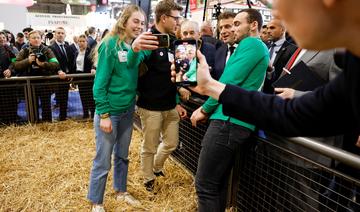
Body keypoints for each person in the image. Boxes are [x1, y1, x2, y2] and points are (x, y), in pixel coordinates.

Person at [172, 0, 360, 151]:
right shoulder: (351, 65)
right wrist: (209, 86)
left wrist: (210, 93)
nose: (277, 14)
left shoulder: (253, 45)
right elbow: (292, 113)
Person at [189, 9, 269, 212]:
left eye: (236, 23)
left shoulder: (252, 44)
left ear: (253, 25)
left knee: (204, 185)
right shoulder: (253, 47)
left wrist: (205, 109)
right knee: (216, 185)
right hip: (233, 121)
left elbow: (228, 82)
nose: (232, 28)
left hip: (228, 121)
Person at [87, 5, 145, 212]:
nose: (139, 26)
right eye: (135, 21)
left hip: (127, 110)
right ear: (124, 21)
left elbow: (131, 69)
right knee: (103, 159)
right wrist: (103, 114)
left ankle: (121, 191)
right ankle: (97, 202)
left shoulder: (132, 46)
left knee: (122, 154)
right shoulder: (110, 44)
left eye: (142, 23)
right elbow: (99, 84)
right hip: (109, 112)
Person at [127, 0, 187, 192]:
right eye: (176, 18)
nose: (178, 22)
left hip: (170, 105)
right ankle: (147, 178)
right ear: (164, 18)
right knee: (150, 145)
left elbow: (175, 74)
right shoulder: (147, 39)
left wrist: (179, 94)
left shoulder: (173, 42)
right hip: (150, 105)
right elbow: (133, 65)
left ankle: (156, 167)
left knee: (171, 143)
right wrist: (135, 51)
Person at [14, 30, 59, 122]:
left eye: (38, 37)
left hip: (45, 83)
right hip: (29, 84)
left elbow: (56, 64)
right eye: (33, 38)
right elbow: (16, 65)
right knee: (32, 106)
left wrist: (43, 64)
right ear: (29, 39)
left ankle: (47, 124)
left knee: (46, 106)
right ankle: (34, 123)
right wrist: (28, 61)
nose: (36, 40)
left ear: (41, 39)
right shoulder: (24, 50)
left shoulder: (47, 50)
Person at [50, 27, 77, 121]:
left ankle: (63, 116)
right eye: (58, 33)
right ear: (55, 35)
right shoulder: (51, 48)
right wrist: (59, 71)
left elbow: (72, 61)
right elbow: (53, 62)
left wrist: (71, 74)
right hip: (58, 77)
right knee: (60, 98)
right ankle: (61, 117)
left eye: (62, 33)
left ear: (65, 35)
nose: (60, 35)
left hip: (67, 76)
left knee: (65, 97)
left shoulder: (67, 46)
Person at [74, 34, 96, 119]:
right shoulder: (76, 52)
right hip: (80, 77)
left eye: (83, 41)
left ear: (87, 42)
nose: (81, 43)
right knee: (82, 96)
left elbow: (95, 62)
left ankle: (93, 115)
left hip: (88, 77)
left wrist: (93, 68)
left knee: (90, 97)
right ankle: (85, 114)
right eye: (80, 41)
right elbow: (75, 65)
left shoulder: (91, 52)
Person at [0, 31, 18, 124]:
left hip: (9, 81)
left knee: (12, 102)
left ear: (6, 39)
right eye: (0, 38)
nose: (1, 39)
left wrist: (10, 70)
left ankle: (13, 121)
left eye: (3, 37)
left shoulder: (9, 49)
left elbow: (14, 61)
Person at [213, 11, 237, 80]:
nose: (222, 32)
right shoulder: (219, 51)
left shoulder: (247, 49)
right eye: (221, 28)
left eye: (227, 26)